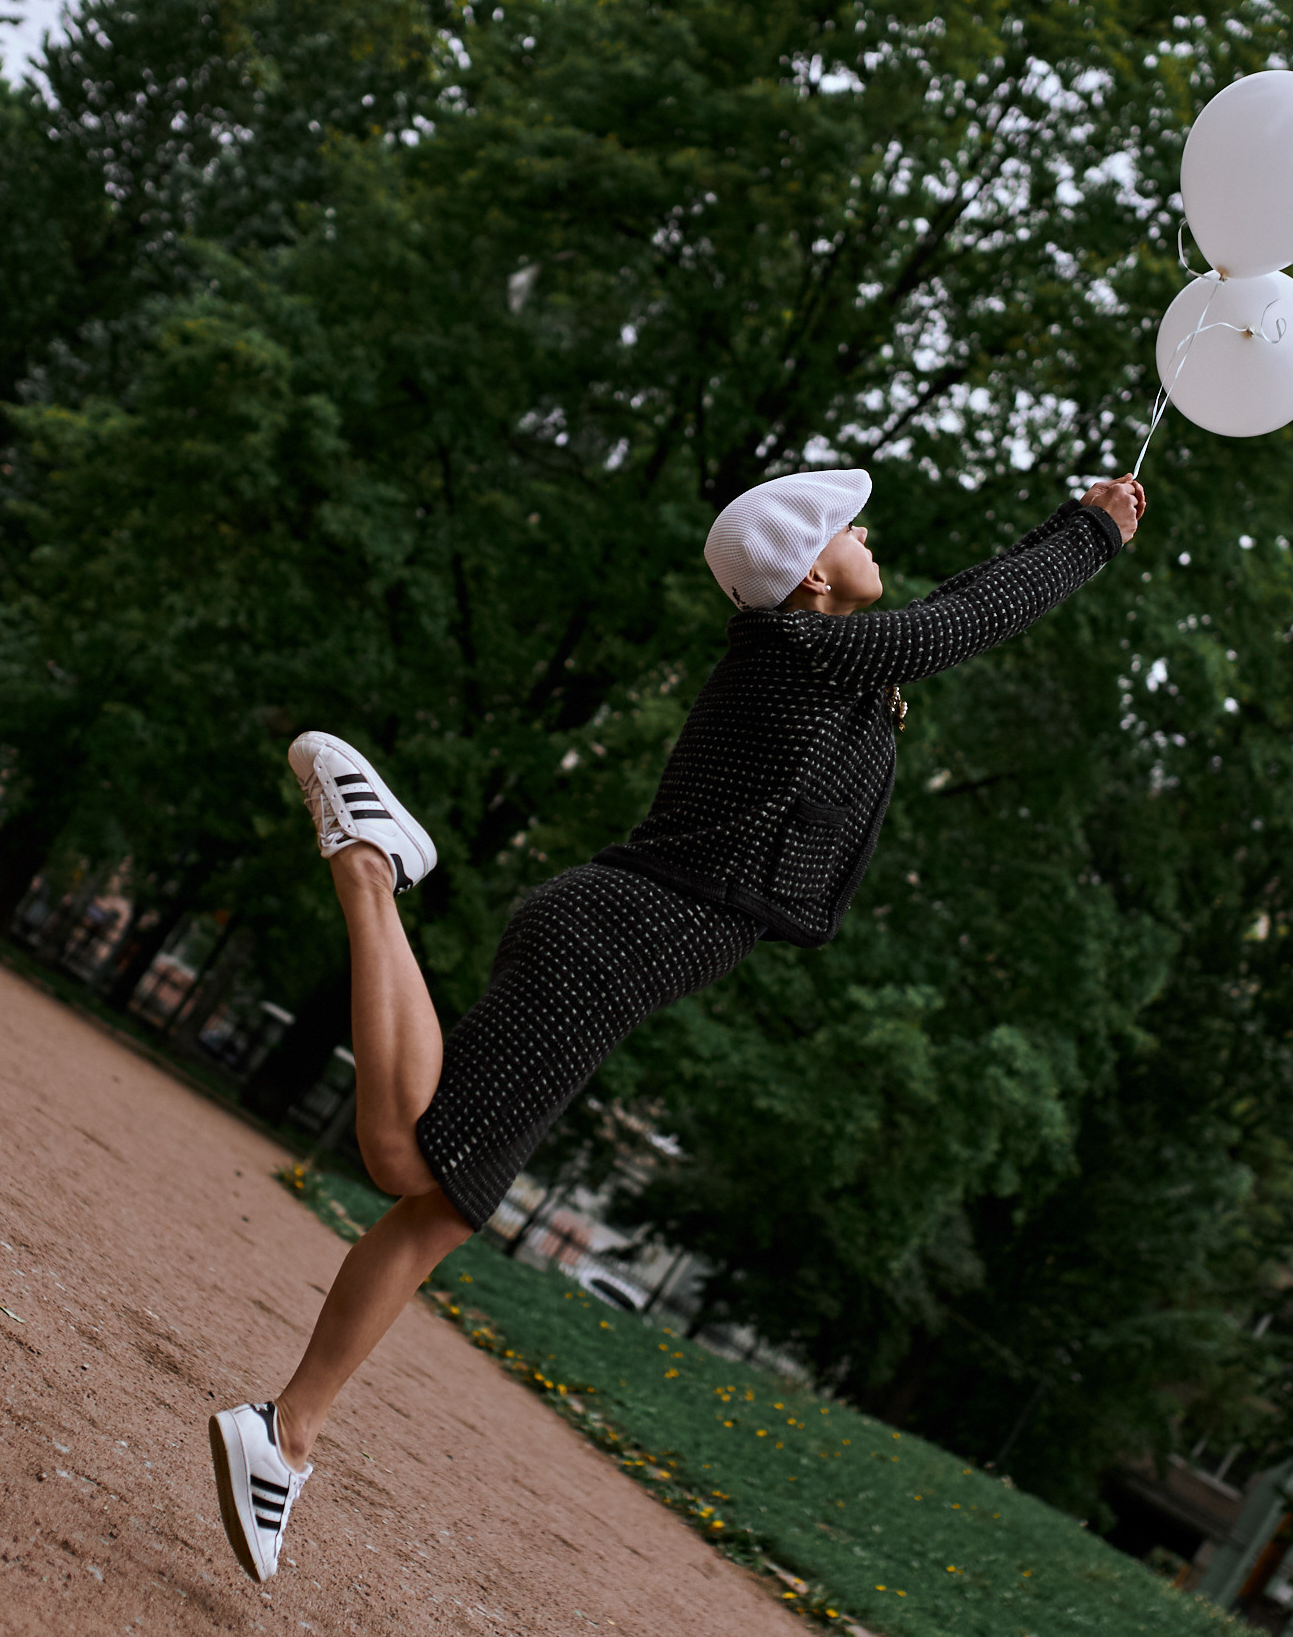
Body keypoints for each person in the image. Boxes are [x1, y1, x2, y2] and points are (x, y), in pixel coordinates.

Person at [208, 467, 1147, 1581]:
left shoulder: (825, 664)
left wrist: (1078, 517)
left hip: (608, 939)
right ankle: (372, 866)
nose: (870, 532)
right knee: (412, 1163)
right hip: (613, 943)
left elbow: (950, 610)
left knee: (430, 1196)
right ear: (810, 574)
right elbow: (969, 618)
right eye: (850, 527)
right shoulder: (800, 652)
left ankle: (288, 1433)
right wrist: (1088, 535)